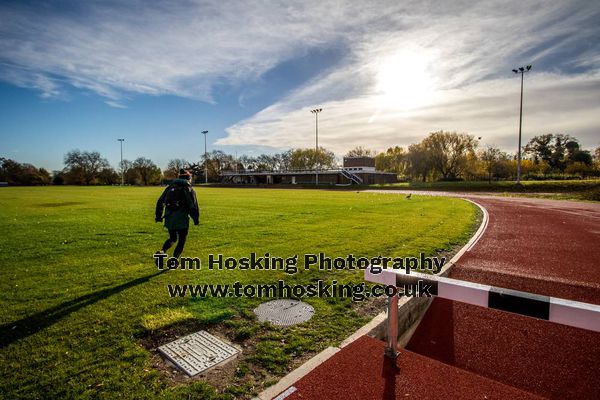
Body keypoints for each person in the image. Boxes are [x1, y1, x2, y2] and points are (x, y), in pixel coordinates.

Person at [155, 169, 199, 261]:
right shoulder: (188, 188)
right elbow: (193, 206)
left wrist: (158, 216)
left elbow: (160, 201)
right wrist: (195, 219)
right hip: (182, 218)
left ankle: (162, 252)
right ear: (188, 178)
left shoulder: (170, 187)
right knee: (182, 240)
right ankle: (174, 260)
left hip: (169, 217)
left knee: (172, 238)